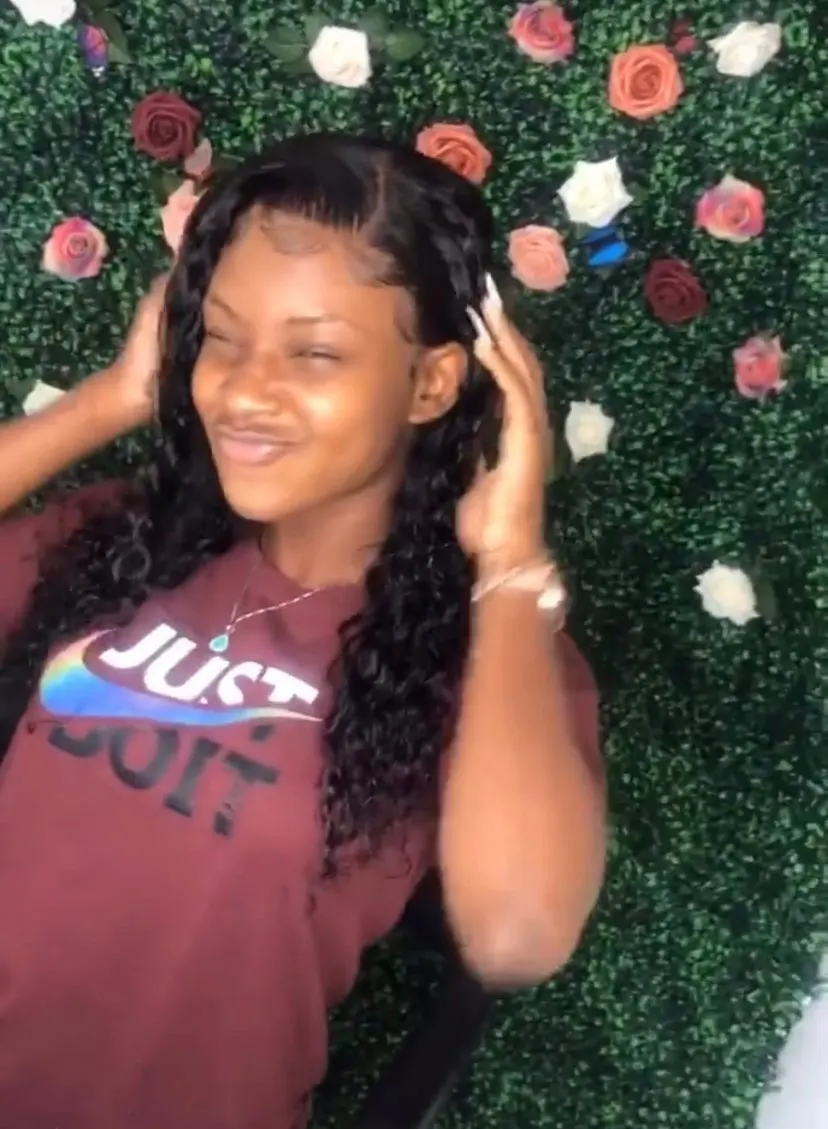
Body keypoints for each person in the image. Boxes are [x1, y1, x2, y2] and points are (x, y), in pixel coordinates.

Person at [0, 132, 606, 1129]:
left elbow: (517, 932)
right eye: (223, 337)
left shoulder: (496, 658)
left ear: (431, 383)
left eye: (315, 352)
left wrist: (508, 562)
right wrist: (111, 400)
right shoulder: (126, 540)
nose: (245, 390)